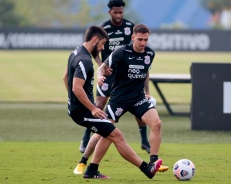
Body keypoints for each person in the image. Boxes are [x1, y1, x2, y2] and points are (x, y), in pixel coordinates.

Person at [63, 25, 162, 179]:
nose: (103, 48)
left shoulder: (150, 54)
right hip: (119, 99)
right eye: (102, 44)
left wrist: (147, 93)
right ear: (133, 37)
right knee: (107, 133)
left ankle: (154, 163)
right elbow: (100, 69)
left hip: (138, 98)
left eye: (146, 39)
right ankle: (87, 163)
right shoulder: (119, 52)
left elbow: (145, 71)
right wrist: (100, 78)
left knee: (156, 124)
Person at [79, 0, 151, 154]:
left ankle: (144, 140)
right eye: (115, 12)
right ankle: (86, 139)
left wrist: (146, 89)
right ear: (109, 12)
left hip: (125, 76)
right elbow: (94, 51)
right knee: (98, 106)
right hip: (108, 73)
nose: (118, 15)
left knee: (138, 106)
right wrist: (101, 65)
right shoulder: (103, 28)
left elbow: (138, 54)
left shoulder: (130, 27)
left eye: (121, 12)